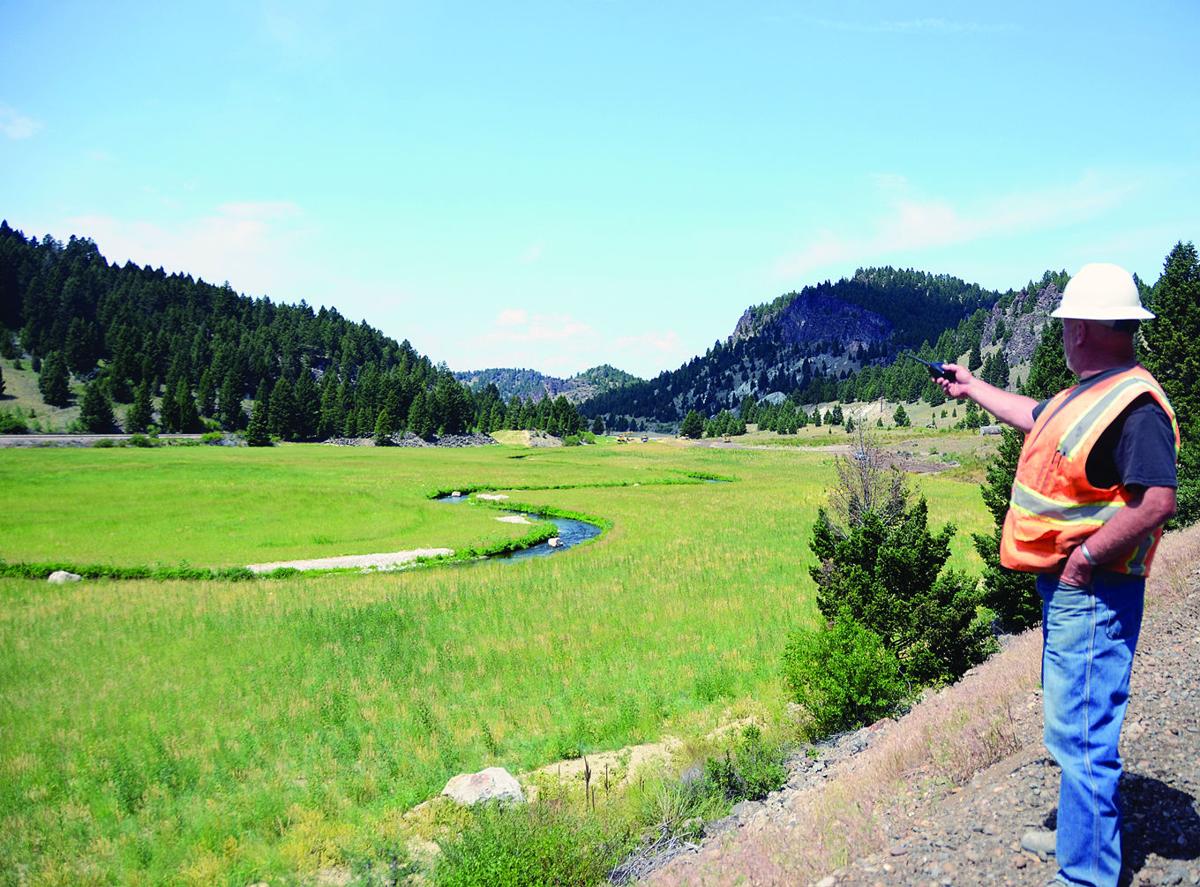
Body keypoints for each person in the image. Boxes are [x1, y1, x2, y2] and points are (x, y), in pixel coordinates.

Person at [934, 263, 1179, 887]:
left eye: (1067, 322)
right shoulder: (1091, 394)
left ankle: (1086, 874)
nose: (1064, 332)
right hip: (1076, 591)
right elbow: (1033, 415)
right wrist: (973, 387)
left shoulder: (1134, 406)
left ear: (1083, 328)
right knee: (1071, 721)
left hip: (1093, 591)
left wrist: (1084, 563)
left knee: (1083, 733)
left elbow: (1157, 501)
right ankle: (1080, 834)